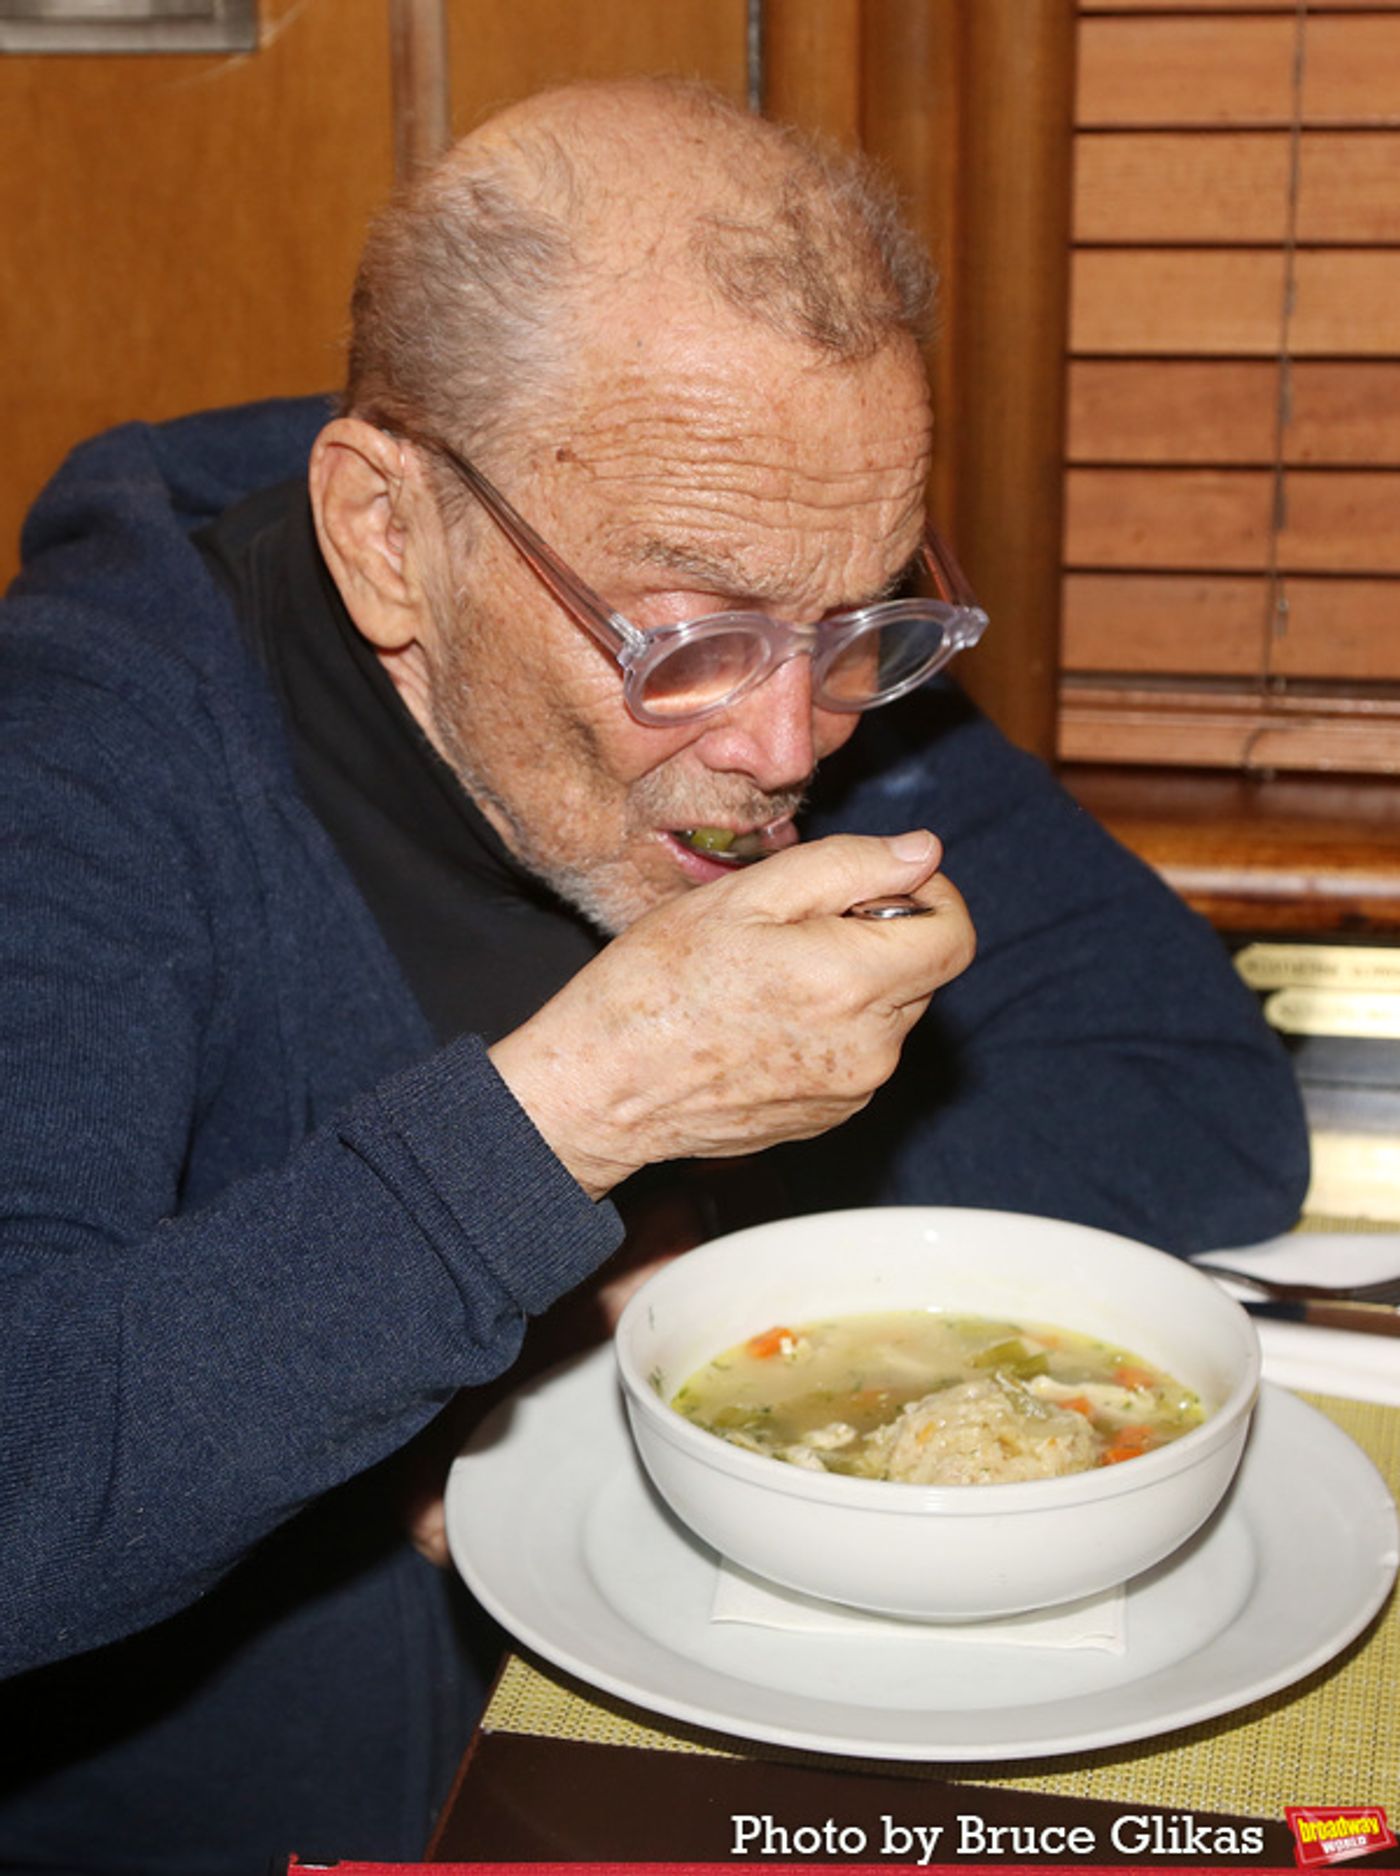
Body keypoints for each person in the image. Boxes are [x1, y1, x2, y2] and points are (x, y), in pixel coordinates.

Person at [0, 77, 1306, 1874]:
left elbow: (1195, 1091)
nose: (788, 748)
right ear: (390, 534)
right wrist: (574, 1119)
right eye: (689, 637)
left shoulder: (817, 675)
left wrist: (662, 1275)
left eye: (865, 622)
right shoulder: (75, 764)